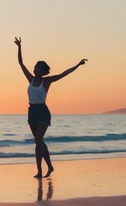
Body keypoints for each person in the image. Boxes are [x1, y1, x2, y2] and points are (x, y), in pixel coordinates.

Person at [14, 36, 87, 179]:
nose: (33, 68)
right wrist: (19, 47)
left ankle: (40, 172)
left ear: (40, 70)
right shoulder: (31, 79)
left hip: (42, 112)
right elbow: (21, 63)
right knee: (39, 141)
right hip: (32, 112)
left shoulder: (47, 81)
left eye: (36, 66)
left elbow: (63, 74)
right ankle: (50, 167)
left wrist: (77, 65)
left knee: (38, 141)